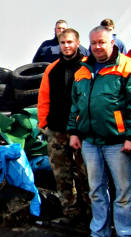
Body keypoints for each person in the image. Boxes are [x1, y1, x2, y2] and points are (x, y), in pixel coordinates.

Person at [67, 25, 131, 237]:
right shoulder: (83, 70)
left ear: (112, 42)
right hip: (90, 142)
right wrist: (74, 132)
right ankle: (99, 232)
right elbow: (76, 104)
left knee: (123, 190)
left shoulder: (128, 67)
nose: (97, 47)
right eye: (93, 42)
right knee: (96, 189)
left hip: (118, 142)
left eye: (102, 42)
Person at [37, 28, 90, 219]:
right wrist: (43, 122)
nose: (66, 46)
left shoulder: (88, 67)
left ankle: (91, 211)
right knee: (62, 173)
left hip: (83, 130)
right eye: (62, 43)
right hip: (57, 129)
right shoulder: (52, 69)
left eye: (69, 42)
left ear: (77, 43)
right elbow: (44, 97)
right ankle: (70, 210)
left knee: (86, 174)